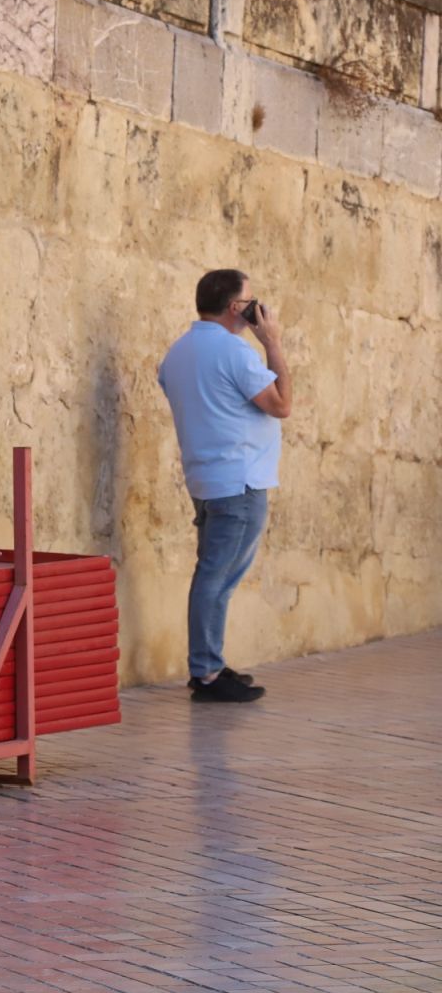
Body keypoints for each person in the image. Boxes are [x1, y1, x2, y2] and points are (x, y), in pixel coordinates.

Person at [156, 269, 291, 704]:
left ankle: (210, 663)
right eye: (251, 302)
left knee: (215, 574)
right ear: (237, 308)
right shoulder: (236, 352)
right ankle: (207, 673)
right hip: (240, 481)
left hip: (206, 479)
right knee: (217, 577)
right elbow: (281, 405)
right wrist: (272, 343)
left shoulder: (176, 354)